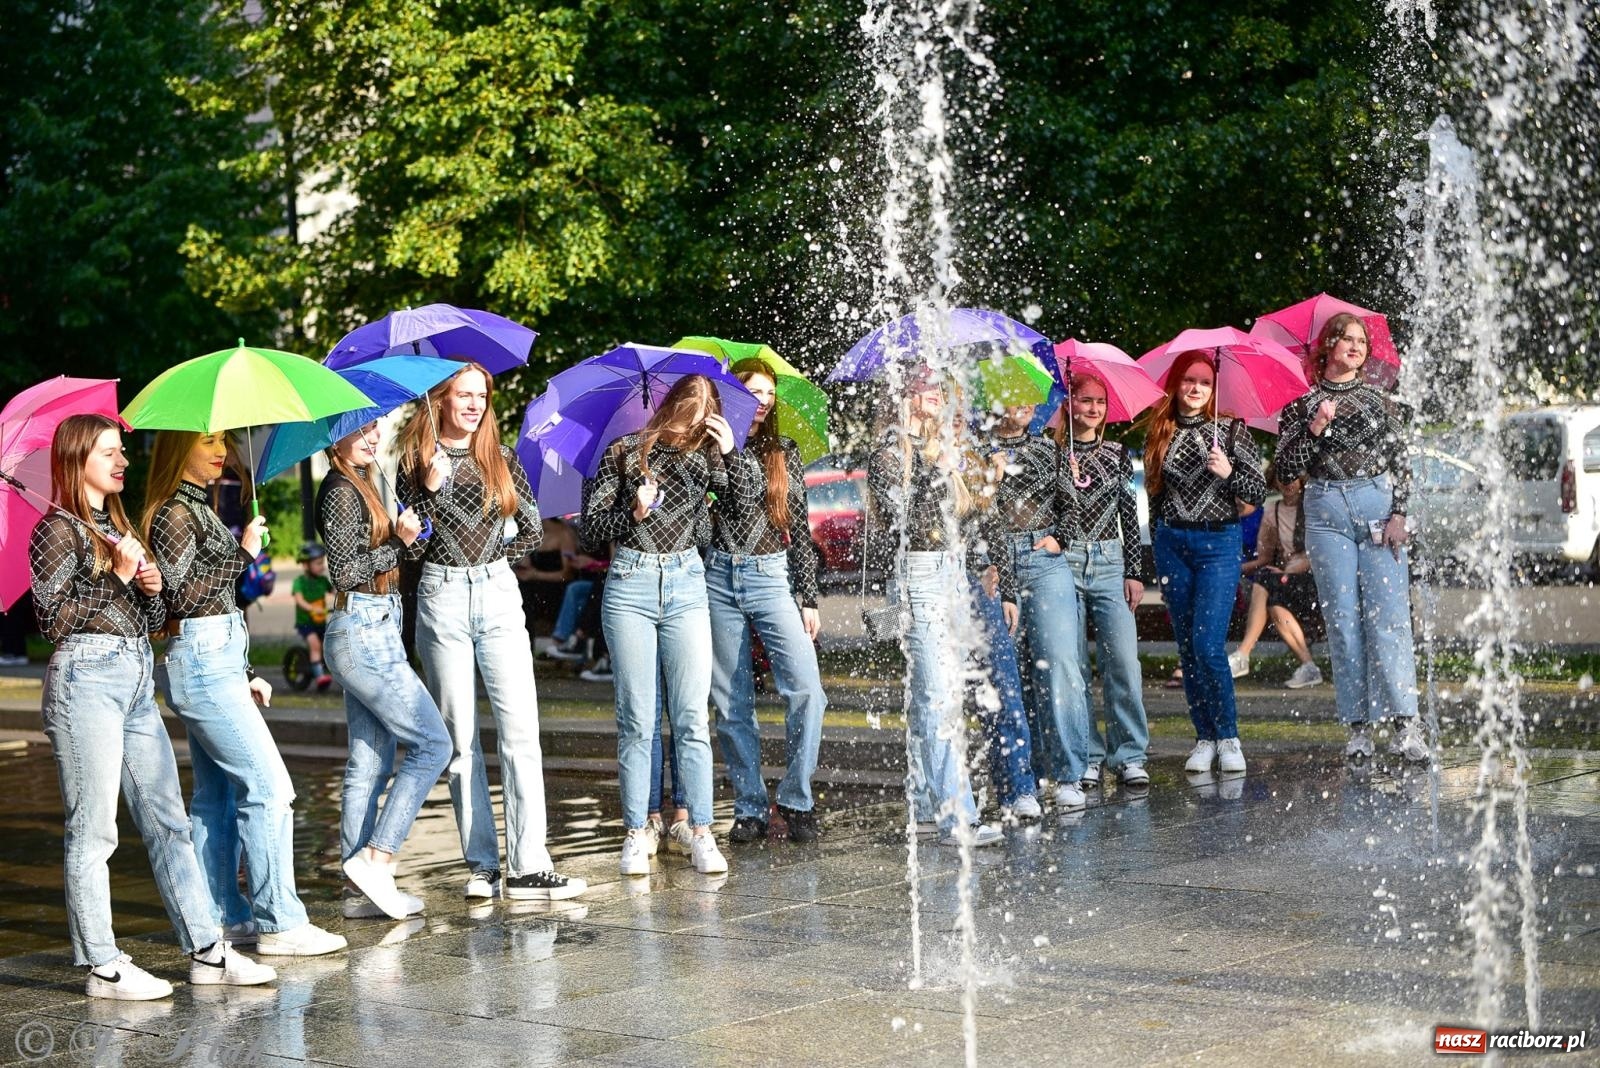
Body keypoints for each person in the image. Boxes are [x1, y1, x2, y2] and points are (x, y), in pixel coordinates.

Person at [30, 413, 274, 999]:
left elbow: (148, 618)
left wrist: (151, 589)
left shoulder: (113, 525)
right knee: (94, 831)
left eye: (122, 451)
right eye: (109, 453)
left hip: (137, 679)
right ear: (76, 460)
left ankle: (207, 952)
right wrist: (116, 578)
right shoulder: (55, 530)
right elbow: (51, 620)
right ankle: (102, 965)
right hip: (85, 682)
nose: (123, 461)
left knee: (170, 821)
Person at [143, 430, 347, 956]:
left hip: (217, 661)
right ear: (179, 448)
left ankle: (222, 916)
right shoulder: (174, 513)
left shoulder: (198, 506)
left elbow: (218, 604)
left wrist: (244, 670)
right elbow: (182, 594)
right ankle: (280, 921)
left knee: (217, 798)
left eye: (222, 443)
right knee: (270, 788)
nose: (220, 452)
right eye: (207, 442)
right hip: (202, 663)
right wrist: (244, 553)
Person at [397, 362, 585, 901]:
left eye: (481, 395)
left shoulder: (500, 457)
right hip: (442, 597)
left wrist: (492, 558)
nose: (475, 404)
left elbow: (530, 529)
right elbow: (411, 546)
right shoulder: (413, 463)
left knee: (520, 730)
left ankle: (529, 865)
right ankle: (482, 865)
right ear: (442, 400)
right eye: (464, 394)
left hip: (498, 592)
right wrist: (428, 491)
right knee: (460, 740)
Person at [581, 374, 732, 875]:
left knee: (691, 716)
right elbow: (590, 530)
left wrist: (729, 455)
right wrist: (635, 511)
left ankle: (702, 831)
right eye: (690, 413)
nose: (695, 425)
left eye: (706, 416)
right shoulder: (624, 452)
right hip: (631, 584)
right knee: (637, 717)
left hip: (687, 583)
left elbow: (735, 512)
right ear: (671, 406)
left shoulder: (708, 457)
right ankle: (636, 829)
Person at [1276, 313, 1425, 761]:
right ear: (1327, 347)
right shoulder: (1301, 404)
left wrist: (1401, 514)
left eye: (1361, 341)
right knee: (1342, 621)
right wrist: (1315, 427)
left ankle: (1406, 723)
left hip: (1377, 506)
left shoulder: (1380, 400)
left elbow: (1402, 461)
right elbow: (1286, 470)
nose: (1356, 347)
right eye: (1346, 339)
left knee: (1389, 617)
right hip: (1326, 513)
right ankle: (1358, 728)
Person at [319, 420, 452, 920]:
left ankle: (360, 891)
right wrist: (397, 541)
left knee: (370, 762)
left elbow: (409, 547)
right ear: (335, 436)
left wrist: (427, 499)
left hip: (376, 625)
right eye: (360, 430)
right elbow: (345, 571)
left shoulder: (366, 481)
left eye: (374, 427)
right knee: (433, 744)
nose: (373, 438)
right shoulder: (339, 490)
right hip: (362, 629)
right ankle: (377, 858)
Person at [867, 368, 1004, 847]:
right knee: (937, 698)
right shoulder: (888, 452)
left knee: (938, 697)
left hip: (953, 572)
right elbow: (904, 519)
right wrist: (935, 470)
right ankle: (957, 819)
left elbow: (961, 520)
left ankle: (928, 801)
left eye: (937, 389)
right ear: (902, 393)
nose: (933, 395)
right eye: (922, 386)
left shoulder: (940, 448)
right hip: (919, 579)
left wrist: (988, 484)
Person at [710, 357, 829, 844]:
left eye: (768, 393)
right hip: (717, 578)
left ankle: (797, 798)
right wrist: (723, 449)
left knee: (807, 691)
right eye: (752, 391)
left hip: (770, 576)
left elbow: (797, 525)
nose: (762, 401)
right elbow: (727, 506)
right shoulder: (709, 445)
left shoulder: (784, 451)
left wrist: (808, 597)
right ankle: (749, 807)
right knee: (731, 702)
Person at [1139, 352, 1266, 775]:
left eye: (1205, 382)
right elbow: (1154, 496)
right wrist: (1160, 540)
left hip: (1218, 543)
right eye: (1189, 380)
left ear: (1214, 389)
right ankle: (1204, 737)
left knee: (1209, 646)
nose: (1196, 388)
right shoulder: (1162, 430)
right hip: (1173, 544)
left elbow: (1257, 490)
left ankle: (1228, 736)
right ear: (1176, 384)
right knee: (1188, 649)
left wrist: (1228, 472)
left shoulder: (1230, 430)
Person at [983, 396, 1088, 811]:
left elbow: (1071, 508)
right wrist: (988, 481)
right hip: (995, 563)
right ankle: (1021, 781)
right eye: (1014, 392)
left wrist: (1060, 538)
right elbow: (970, 513)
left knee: (1059, 664)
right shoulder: (978, 449)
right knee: (1009, 678)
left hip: (1043, 560)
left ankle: (1069, 775)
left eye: (1031, 393)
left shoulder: (1049, 448)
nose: (1025, 401)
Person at [1056, 374, 1151, 788]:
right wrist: (1067, 472)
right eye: (1085, 400)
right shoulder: (1054, 454)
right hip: (1065, 561)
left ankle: (1129, 753)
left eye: (1100, 402)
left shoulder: (1117, 454)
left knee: (1123, 662)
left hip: (1111, 561)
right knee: (1073, 665)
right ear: (1069, 404)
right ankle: (1087, 754)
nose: (1093, 409)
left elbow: (1129, 513)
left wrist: (1134, 572)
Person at [1229, 468, 1323, 689]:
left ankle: (1243, 654)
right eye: (1282, 478)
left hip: (1312, 579)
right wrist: (1231, 570)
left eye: (1293, 478)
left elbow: (1319, 553)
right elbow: (1264, 558)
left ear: (1302, 480)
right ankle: (1309, 667)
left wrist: (1288, 572)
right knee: (1273, 600)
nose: (1288, 483)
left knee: (1267, 582)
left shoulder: (1314, 507)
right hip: (1285, 581)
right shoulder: (1273, 510)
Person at [292, 542, 334, 689]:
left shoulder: (323, 581)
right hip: (306, 623)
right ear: (305, 565)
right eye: (318, 563)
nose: (322, 566)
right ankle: (319, 677)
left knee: (329, 644)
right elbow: (299, 600)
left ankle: (327, 668)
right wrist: (312, 608)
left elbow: (334, 591)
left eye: (322, 562)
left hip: (320, 622)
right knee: (315, 645)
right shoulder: (299, 582)